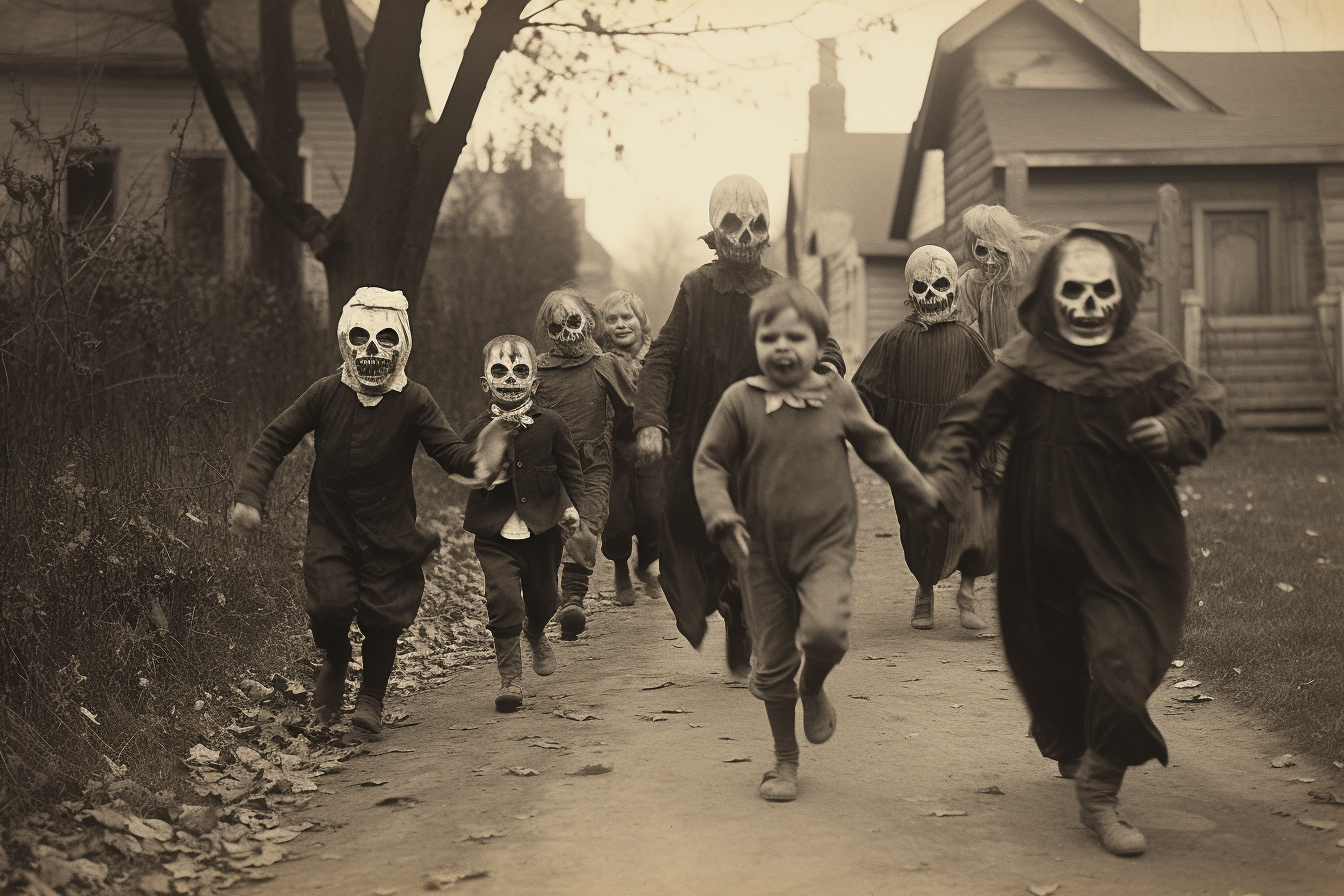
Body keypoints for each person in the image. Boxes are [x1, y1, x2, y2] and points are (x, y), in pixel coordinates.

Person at [920, 225, 1226, 856]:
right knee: (1051, 668)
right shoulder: (1027, 362)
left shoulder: (1150, 358)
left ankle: (1101, 794)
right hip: (1043, 547)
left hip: (1129, 544)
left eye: (1102, 291)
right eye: (1074, 291)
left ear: (1123, 295)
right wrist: (946, 478)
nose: (1088, 305)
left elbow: (1206, 404)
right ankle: (1074, 745)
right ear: (1052, 298)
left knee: (1123, 664)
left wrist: (1173, 428)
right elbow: (965, 424)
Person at [694, 279, 939, 802]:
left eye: (796, 337)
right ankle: (784, 760)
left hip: (826, 545)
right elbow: (710, 462)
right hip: (759, 554)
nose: (782, 347)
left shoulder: (837, 395)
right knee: (775, 658)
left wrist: (921, 491)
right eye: (770, 337)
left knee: (827, 632)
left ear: (819, 342)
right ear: (755, 344)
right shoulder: (740, 402)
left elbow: (880, 447)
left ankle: (815, 685)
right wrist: (720, 514)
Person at [229, 287, 510, 733]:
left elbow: (447, 449)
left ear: (403, 343)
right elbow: (273, 440)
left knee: (383, 616)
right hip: (331, 528)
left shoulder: (414, 399)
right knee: (328, 607)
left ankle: (371, 698)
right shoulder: (325, 393)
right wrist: (249, 496)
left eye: (385, 339)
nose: (372, 351)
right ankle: (336, 659)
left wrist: (479, 462)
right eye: (360, 337)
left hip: (389, 532)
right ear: (344, 340)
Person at [634, 174, 845, 675]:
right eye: (733, 223)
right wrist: (650, 421)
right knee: (689, 535)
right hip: (701, 438)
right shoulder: (696, 288)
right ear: (715, 229)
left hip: (761, 439)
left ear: (768, 231)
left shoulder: (781, 291)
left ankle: (747, 613)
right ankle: (727, 603)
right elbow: (662, 358)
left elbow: (821, 343)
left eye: (756, 225)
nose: (746, 235)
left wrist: (829, 368)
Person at [852, 246, 998, 631]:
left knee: (972, 518)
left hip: (961, 449)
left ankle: (967, 591)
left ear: (952, 289)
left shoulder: (968, 341)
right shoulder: (895, 341)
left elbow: (995, 391)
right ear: (910, 292)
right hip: (913, 450)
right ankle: (924, 590)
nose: (932, 294)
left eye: (940, 285)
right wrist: (859, 428)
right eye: (922, 286)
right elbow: (864, 390)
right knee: (919, 524)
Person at [460, 335, 584, 712]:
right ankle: (510, 679)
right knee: (504, 600)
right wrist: (478, 462)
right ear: (486, 382)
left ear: (534, 381)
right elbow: (459, 465)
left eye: (520, 371)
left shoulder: (552, 424)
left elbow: (571, 470)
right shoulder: (476, 429)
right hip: (494, 532)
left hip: (543, 531)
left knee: (545, 599)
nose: (510, 378)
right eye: (499, 371)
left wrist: (576, 510)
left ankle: (535, 630)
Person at [532, 287, 636, 639]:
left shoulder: (604, 364)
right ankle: (549, 596)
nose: (567, 333)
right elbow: (517, 409)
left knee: (587, 524)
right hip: (549, 466)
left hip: (593, 462)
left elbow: (635, 405)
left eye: (573, 321)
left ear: (589, 321)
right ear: (547, 332)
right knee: (550, 531)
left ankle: (573, 598)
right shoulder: (539, 372)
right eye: (557, 327)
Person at [596, 289, 663, 605]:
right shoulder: (600, 363)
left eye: (628, 317)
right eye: (612, 319)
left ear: (641, 321)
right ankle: (621, 568)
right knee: (617, 516)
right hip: (615, 450)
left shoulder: (659, 358)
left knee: (655, 512)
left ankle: (646, 564)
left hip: (654, 450)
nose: (621, 325)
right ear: (604, 327)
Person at [956, 204, 1047, 355]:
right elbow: (960, 328)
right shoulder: (972, 282)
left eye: (998, 251)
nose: (991, 261)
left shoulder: (1032, 270)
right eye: (982, 251)